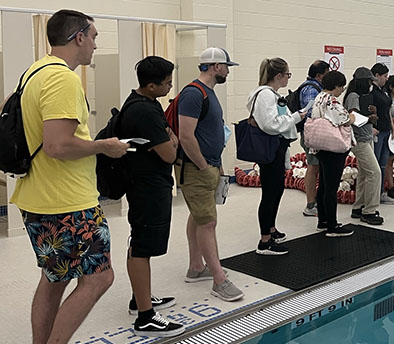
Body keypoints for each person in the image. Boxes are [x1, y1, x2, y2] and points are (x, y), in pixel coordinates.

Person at [10, 10, 129, 343]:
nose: (94, 44)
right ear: (78, 37)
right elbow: (58, 145)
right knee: (99, 278)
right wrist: (103, 146)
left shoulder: (34, 72)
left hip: (38, 197)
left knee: (55, 277)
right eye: (93, 37)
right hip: (66, 202)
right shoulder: (62, 79)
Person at [120, 56, 184, 337]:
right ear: (150, 85)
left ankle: (140, 298)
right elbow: (170, 152)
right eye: (167, 83)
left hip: (145, 182)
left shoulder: (143, 103)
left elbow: (167, 136)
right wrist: (172, 140)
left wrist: (169, 137)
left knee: (139, 241)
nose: (170, 87)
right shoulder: (144, 112)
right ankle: (145, 316)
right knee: (143, 246)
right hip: (147, 185)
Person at [178, 47, 243, 301]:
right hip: (197, 168)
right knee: (208, 222)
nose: (228, 71)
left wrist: (216, 165)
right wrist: (204, 166)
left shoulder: (208, 93)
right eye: (227, 66)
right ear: (216, 66)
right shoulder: (194, 94)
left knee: (198, 216)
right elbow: (185, 135)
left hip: (208, 165)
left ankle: (196, 267)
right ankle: (219, 280)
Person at [247, 57, 307, 255]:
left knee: (277, 190)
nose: (289, 78)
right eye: (288, 75)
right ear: (279, 76)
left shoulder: (271, 95)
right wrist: (296, 116)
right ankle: (265, 242)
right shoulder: (265, 95)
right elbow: (271, 125)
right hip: (270, 149)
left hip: (277, 148)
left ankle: (271, 229)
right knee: (270, 193)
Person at [309, 70, 356, 236]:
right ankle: (332, 226)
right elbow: (345, 119)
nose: (342, 90)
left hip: (320, 147)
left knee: (323, 185)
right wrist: (352, 116)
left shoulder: (318, 98)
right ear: (335, 86)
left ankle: (323, 220)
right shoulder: (332, 101)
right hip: (333, 148)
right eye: (341, 87)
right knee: (331, 188)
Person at [344, 67, 384, 225]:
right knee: (375, 173)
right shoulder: (353, 96)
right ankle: (369, 211)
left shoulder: (361, 96)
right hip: (359, 140)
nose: (371, 85)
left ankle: (359, 206)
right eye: (369, 82)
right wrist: (370, 119)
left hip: (366, 137)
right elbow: (353, 116)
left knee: (364, 174)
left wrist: (372, 113)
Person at [298, 60, 330, 217]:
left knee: (317, 167)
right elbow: (310, 113)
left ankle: (316, 201)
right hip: (312, 135)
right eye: (326, 74)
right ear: (319, 75)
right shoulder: (311, 90)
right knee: (313, 167)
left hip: (318, 134)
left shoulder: (317, 88)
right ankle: (310, 204)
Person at [370, 63, 394, 205]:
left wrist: (393, 128)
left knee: (383, 163)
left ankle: (381, 192)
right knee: (376, 164)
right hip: (378, 131)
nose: (387, 79)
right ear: (377, 76)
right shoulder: (371, 92)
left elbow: (388, 111)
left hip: (386, 130)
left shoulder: (383, 91)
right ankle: (374, 194)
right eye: (385, 76)